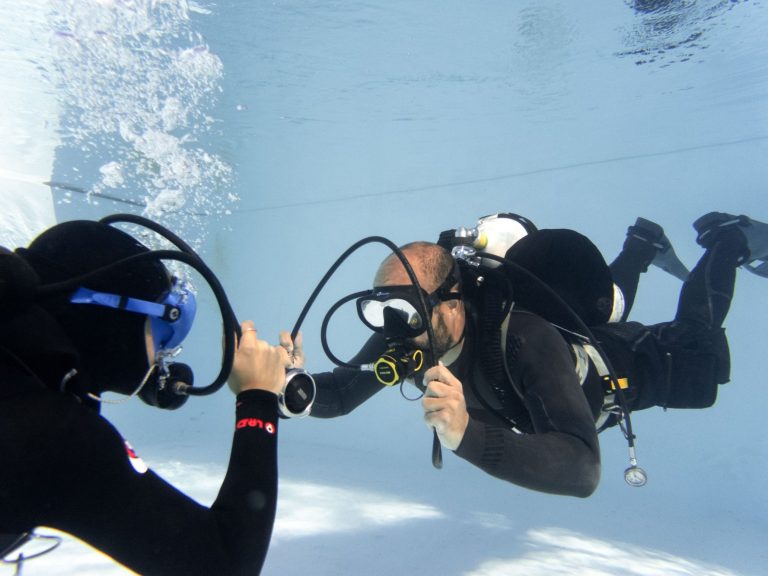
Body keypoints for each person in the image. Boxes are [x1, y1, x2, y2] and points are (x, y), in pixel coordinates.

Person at [303, 211, 768, 497]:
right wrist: (281, 384)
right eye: (378, 309)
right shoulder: (406, 331)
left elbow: (582, 468)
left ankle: (728, 240)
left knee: (696, 344)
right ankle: (641, 246)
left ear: (451, 301)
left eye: (404, 309)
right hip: (583, 338)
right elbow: (340, 395)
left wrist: (465, 434)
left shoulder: (525, 337)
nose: (391, 327)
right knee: (614, 304)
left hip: (628, 367)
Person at [1, 219, 291, 575]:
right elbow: (224, 563)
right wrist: (258, 397)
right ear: (108, 320)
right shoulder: (51, 434)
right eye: (163, 330)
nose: (164, 355)